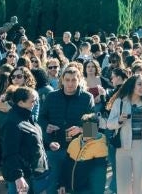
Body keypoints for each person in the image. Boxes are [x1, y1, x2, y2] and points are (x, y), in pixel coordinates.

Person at [38, 65, 95, 193]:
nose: (70, 83)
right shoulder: (51, 96)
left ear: (79, 80)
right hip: (54, 146)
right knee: (52, 184)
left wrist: (81, 129)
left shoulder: (87, 98)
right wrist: (46, 125)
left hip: (78, 149)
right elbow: (40, 118)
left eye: (74, 80)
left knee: (76, 185)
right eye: (67, 80)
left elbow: (93, 126)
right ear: (62, 80)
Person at [1, 86, 58, 194]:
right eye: (33, 101)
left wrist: (47, 144)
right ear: (21, 103)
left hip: (38, 171)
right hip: (26, 174)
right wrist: (18, 176)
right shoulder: (13, 123)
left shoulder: (27, 116)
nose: (36, 103)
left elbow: (31, 139)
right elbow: (10, 152)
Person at [107, 74, 142, 194]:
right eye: (139, 84)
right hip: (123, 146)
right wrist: (119, 121)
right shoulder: (120, 102)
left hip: (141, 147)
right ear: (132, 86)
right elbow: (109, 124)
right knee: (123, 186)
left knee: (140, 184)